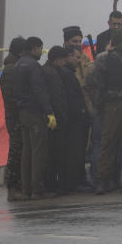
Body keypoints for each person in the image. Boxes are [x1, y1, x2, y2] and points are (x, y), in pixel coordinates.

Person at [87, 27, 122, 194]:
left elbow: (93, 81)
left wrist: (99, 102)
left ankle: (102, 181)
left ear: (112, 42)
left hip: (112, 106)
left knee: (107, 144)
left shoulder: (103, 59)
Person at [11, 37, 57, 199]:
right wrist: (49, 112)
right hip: (35, 113)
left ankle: (26, 189)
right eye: (40, 49)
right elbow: (39, 90)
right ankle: (37, 189)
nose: (41, 52)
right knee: (38, 152)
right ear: (35, 48)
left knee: (27, 152)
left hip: (22, 112)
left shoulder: (17, 64)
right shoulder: (33, 66)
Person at [0, 36, 28, 201]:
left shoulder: (13, 67)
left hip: (16, 115)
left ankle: (17, 186)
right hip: (15, 116)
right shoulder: (12, 70)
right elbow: (12, 97)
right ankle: (12, 187)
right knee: (16, 152)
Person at [61, 45, 91, 192]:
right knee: (74, 152)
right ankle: (73, 182)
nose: (79, 61)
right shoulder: (67, 75)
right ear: (68, 57)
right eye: (76, 57)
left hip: (75, 119)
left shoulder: (68, 73)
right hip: (74, 120)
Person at [42, 46, 70, 193]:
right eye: (64, 59)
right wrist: (61, 117)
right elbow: (56, 98)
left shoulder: (49, 70)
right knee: (54, 153)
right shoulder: (52, 74)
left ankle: (51, 183)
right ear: (57, 59)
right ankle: (52, 184)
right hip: (55, 120)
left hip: (53, 118)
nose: (65, 62)